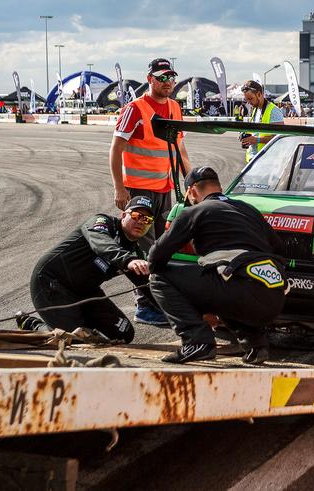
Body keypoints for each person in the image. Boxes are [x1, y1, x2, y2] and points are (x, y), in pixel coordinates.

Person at [149, 167, 287, 364]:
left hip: (240, 288)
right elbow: (280, 249)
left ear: (192, 191)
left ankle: (196, 342)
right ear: (220, 187)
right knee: (223, 280)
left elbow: (156, 256)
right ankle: (256, 346)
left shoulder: (195, 211)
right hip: (273, 296)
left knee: (159, 279)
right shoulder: (248, 210)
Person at [109, 57, 191, 325]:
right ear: (150, 80)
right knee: (145, 249)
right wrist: (120, 189)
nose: (168, 82)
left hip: (164, 189)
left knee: (161, 248)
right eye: (162, 77)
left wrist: (190, 182)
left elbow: (180, 148)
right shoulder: (135, 109)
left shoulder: (175, 108)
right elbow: (116, 149)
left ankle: (158, 300)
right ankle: (145, 305)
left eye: (171, 78)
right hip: (138, 192)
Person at [16, 197, 157, 342]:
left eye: (147, 220)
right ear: (123, 215)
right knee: (74, 339)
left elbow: (149, 287)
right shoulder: (102, 223)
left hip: (85, 292)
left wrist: (178, 315)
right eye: (137, 216)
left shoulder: (135, 253)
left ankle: (74, 324)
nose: (141, 222)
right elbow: (102, 243)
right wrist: (128, 260)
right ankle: (33, 324)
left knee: (124, 333)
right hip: (51, 282)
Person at [240, 80, 283, 162]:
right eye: (247, 99)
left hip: (267, 161)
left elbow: (279, 138)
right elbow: (256, 132)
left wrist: (257, 140)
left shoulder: (274, 111)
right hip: (254, 159)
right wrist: (245, 135)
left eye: (250, 99)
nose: (248, 102)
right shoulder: (255, 109)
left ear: (259, 94)